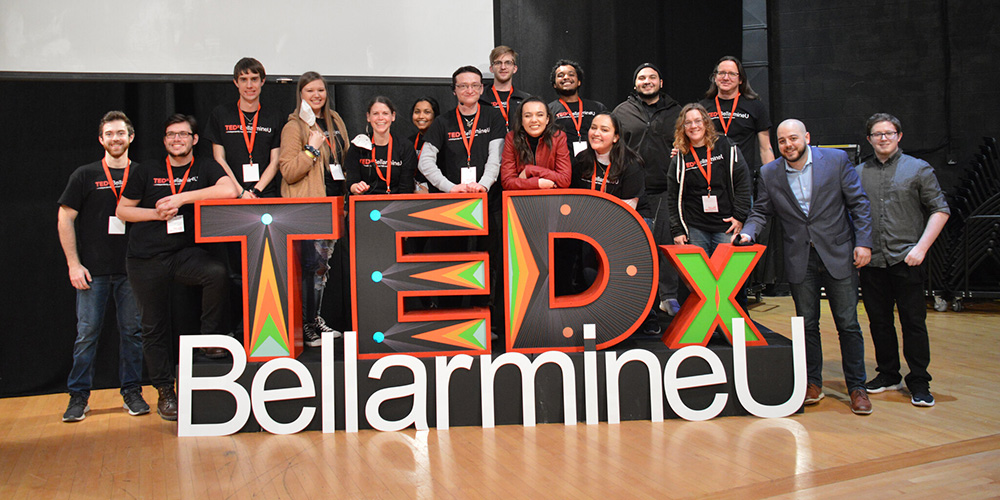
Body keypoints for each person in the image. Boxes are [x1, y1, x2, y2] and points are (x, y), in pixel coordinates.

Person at [736, 119, 874, 415]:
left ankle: (857, 387)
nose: (788, 145)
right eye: (782, 141)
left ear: (807, 137)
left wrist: (864, 242)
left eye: (793, 138)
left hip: (838, 254)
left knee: (848, 324)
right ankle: (813, 383)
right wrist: (747, 233)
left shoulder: (836, 161)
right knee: (807, 324)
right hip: (800, 258)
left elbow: (859, 203)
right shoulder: (769, 173)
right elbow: (760, 211)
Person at [117, 114, 239, 421]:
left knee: (216, 273)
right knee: (153, 326)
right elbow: (122, 210)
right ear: (164, 140)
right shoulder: (147, 170)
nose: (176, 139)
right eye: (171, 134)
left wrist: (181, 198)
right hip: (145, 258)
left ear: (194, 139)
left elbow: (229, 190)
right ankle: (165, 391)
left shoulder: (205, 167)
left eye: (183, 134)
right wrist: (157, 214)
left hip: (182, 253)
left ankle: (209, 340)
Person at [57, 111, 148, 422]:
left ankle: (132, 392)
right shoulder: (84, 174)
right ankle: (78, 397)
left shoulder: (142, 174)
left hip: (132, 270)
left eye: (120, 133)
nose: (115, 138)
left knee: (133, 334)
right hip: (92, 272)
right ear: (101, 139)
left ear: (131, 137)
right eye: (109, 134)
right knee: (87, 335)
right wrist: (73, 264)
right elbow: (65, 217)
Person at [857, 113, 950, 407]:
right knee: (879, 322)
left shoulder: (918, 169)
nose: (883, 138)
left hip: (907, 259)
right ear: (869, 139)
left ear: (899, 136)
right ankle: (888, 374)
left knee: (913, 323)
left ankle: (919, 381)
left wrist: (921, 247)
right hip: (872, 262)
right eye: (877, 134)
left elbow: (940, 210)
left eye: (888, 133)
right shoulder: (858, 173)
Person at [278, 72, 350, 347]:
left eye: (320, 90)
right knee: (313, 266)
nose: (316, 95)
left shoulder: (335, 120)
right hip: (311, 206)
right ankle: (307, 325)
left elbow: (343, 159)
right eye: (310, 91)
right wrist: (311, 149)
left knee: (322, 267)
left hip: (335, 204)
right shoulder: (293, 127)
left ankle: (314, 319)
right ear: (301, 94)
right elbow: (288, 171)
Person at [572, 113, 660, 335]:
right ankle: (604, 313)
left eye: (604, 130)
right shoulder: (581, 160)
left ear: (616, 137)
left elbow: (628, 208)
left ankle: (648, 315)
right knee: (589, 268)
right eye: (593, 128)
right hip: (592, 222)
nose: (596, 133)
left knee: (636, 267)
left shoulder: (631, 163)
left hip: (630, 220)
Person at [612, 63, 683, 316]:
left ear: (661, 83)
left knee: (666, 245)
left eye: (652, 77)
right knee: (636, 248)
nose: (647, 81)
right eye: (642, 77)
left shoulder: (677, 111)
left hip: (665, 189)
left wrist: (682, 150)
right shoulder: (622, 111)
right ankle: (640, 300)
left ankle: (668, 296)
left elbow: (688, 141)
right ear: (635, 84)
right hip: (632, 190)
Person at [667, 103, 751, 255]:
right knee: (698, 271)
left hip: (726, 226)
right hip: (696, 228)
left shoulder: (726, 146)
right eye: (688, 123)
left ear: (706, 122)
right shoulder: (680, 157)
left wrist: (739, 216)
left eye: (698, 121)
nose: (694, 126)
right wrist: (677, 230)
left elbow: (743, 183)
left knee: (725, 270)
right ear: (682, 127)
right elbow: (673, 197)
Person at [204, 57, 283, 199]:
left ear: (262, 81)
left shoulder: (274, 116)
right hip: (231, 192)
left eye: (254, 79)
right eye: (243, 80)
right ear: (236, 82)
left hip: (265, 193)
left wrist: (256, 191)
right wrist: (240, 192)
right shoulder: (221, 114)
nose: (249, 85)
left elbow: (275, 160)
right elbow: (219, 158)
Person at [699, 56, 774, 175]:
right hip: (711, 176)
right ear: (715, 78)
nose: (726, 78)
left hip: (743, 176)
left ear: (740, 80)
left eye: (731, 74)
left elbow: (765, 148)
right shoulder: (702, 108)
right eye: (721, 73)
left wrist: (772, 179)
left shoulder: (755, 106)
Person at [345, 96, 416, 195]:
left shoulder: (405, 146)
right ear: (368, 117)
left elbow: (406, 189)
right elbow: (351, 183)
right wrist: (356, 187)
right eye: (375, 114)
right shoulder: (358, 145)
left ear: (393, 116)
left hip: (396, 202)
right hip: (364, 201)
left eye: (385, 113)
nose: (380, 118)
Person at [500, 96, 572, 190]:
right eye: (527, 116)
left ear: (547, 119)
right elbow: (507, 181)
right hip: (521, 198)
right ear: (521, 120)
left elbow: (565, 180)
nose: (534, 120)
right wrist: (537, 183)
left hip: (552, 197)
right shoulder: (511, 138)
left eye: (540, 115)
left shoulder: (558, 137)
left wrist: (531, 170)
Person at [547, 59, 607, 158]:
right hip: (562, 163)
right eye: (560, 75)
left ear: (579, 82)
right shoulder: (548, 111)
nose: (566, 77)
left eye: (571, 74)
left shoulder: (597, 107)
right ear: (554, 84)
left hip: (594, 162)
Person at [481, 46, 530, 130]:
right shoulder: (481, 98)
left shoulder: (525, 99)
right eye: (498, 63)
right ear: (491, 68)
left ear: (514, 69)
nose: (503, 67)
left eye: (508, 63)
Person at [408, 96, 439, 193]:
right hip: (413, 192)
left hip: (437, 193)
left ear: (435, 115)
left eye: (427, 112)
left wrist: (430, 191)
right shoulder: (408, 142)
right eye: (417, 112)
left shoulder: (441, 141)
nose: (421, 116)